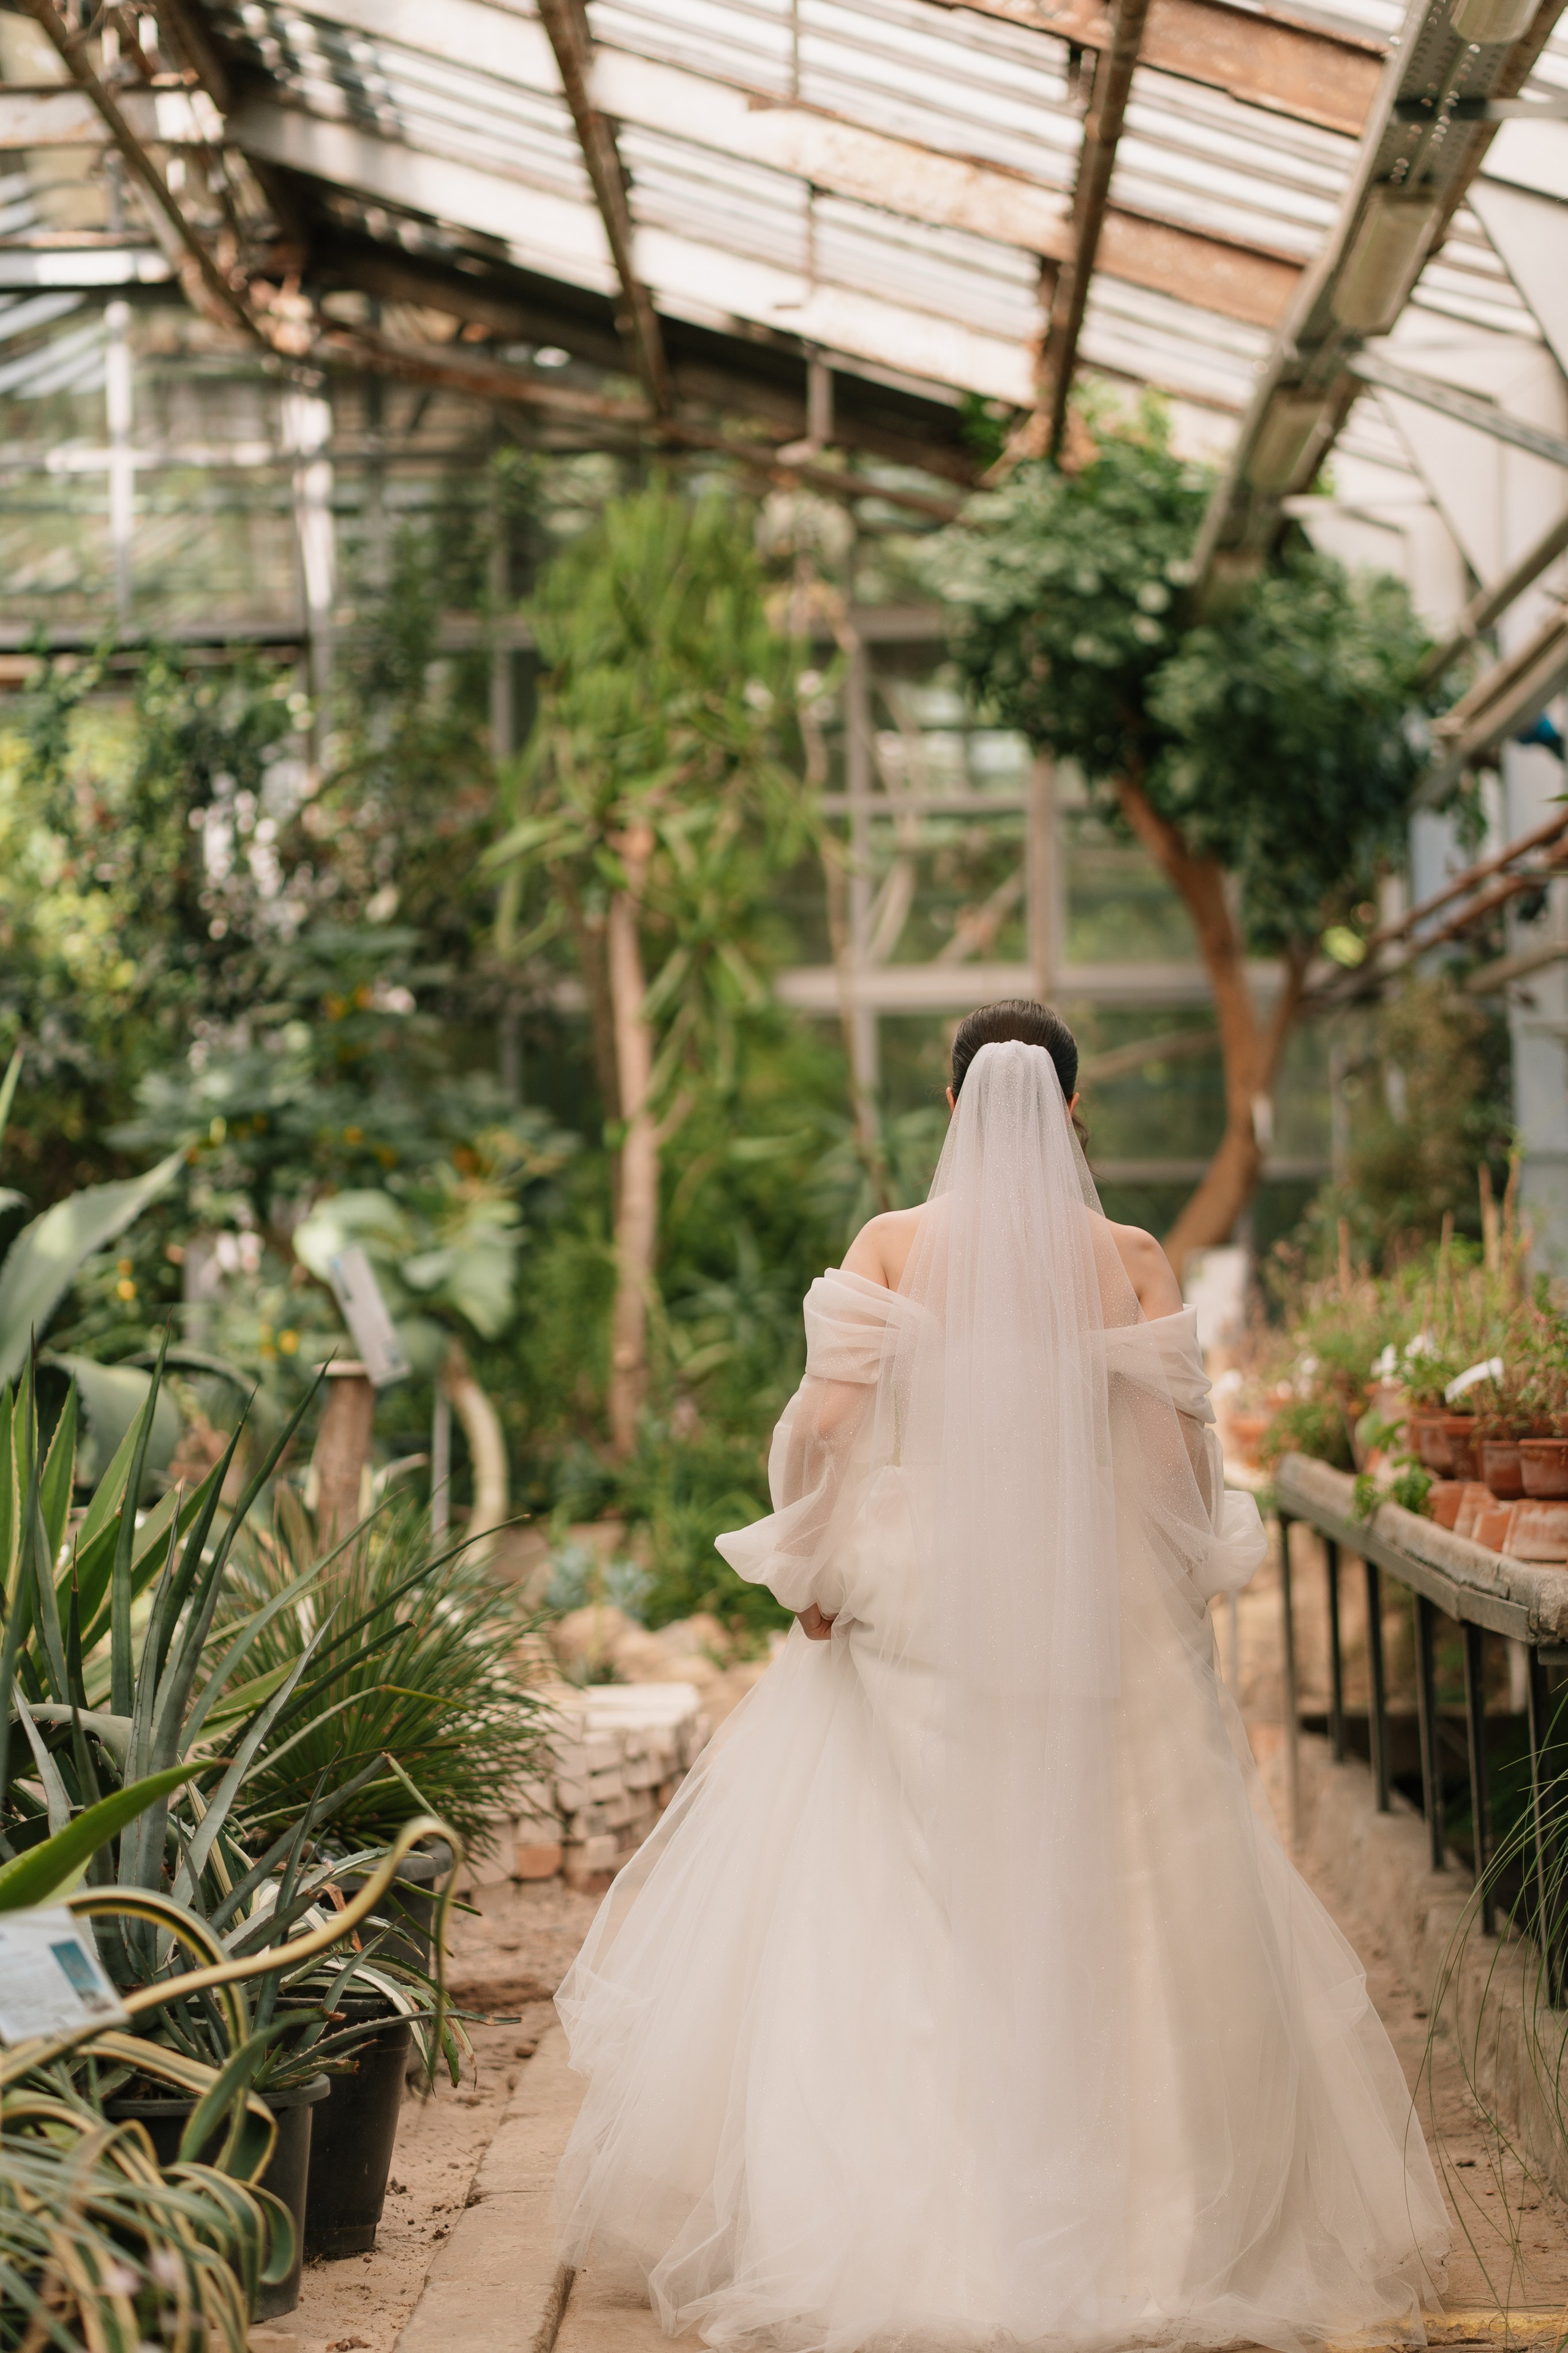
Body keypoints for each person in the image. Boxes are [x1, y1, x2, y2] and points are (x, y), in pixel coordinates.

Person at [556, 1000, 1449, 2353]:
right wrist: (1186, 1574)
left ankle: (894, 2217)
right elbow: (1168, 1464)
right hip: (1095, 1604)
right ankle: (1147, 2226)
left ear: (956, 1105)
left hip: (918, 1597)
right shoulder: (1132, 1257)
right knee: (1119, 1885)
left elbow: (823, 1426)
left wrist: (808, 1566)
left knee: (898, 1885)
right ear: (1071, 1112)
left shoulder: (894, 1247)